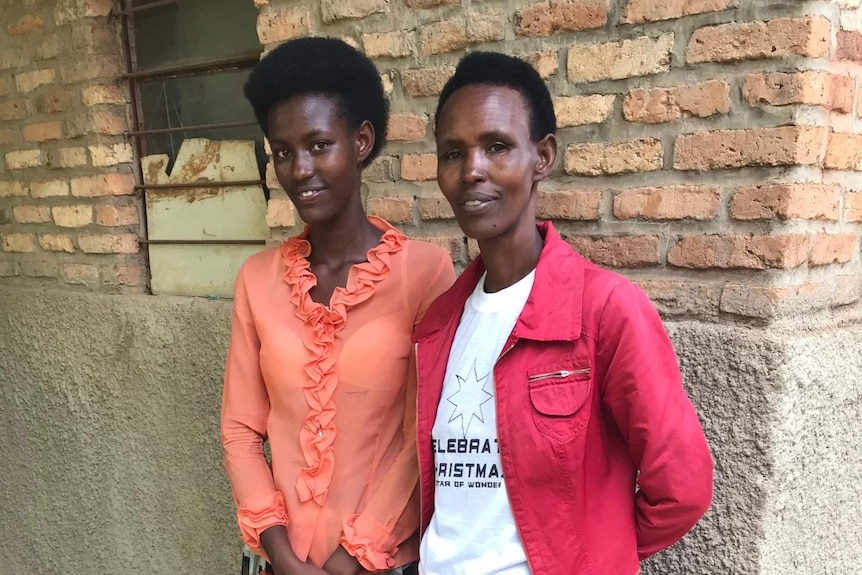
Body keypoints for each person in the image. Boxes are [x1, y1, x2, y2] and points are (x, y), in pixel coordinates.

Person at [414, 51, 713, 575]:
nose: (472, 171)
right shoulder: (439, 322)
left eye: (497, 146)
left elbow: (681, 490)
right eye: (452, 153)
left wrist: (587, 556)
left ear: (543, 157)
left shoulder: (605, 311)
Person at [221, 37, 455, 575]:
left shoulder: (425, 274)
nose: (299, 168)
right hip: (278, 562)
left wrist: (349, 561)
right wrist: (282, 557)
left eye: (319, 144)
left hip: (381, 562)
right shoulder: (256, 281)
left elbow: (424, 437)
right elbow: (240, 429)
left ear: (361, 141)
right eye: (283, 151)